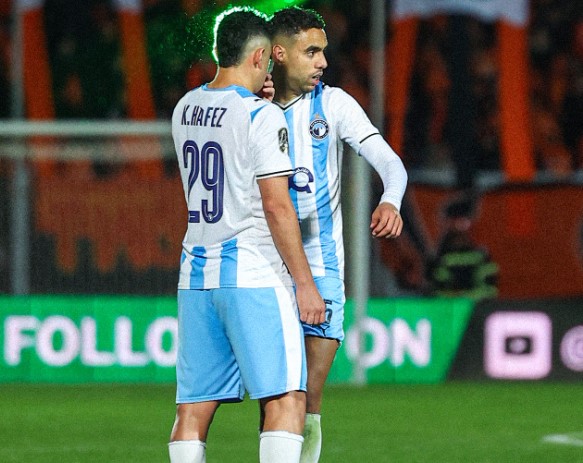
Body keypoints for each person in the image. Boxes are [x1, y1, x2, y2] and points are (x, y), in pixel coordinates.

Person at [168, 7, 325, 463]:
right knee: (286, 399)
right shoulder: (261, 116)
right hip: (253, 275)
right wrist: (304, 283)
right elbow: (276, 206)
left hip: (196, 277)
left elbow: (226, 124)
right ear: (259, 56)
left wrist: (257, 99)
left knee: (193, 408)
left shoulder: (184, 107)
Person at [267, 7, 408, 462]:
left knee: (306, 396)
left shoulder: (335, 105)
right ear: (279, 53)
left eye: (323, 51)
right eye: (311, 52)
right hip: (262, 265)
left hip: (322, 268)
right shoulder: (250, 104)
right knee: (277, 396)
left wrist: (391, 200)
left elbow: (390, 163)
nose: (323, 62)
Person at [426, 194, 499, 300]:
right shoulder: (439, 257)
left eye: (463, 220)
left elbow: (489, 289)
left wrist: (465, 298)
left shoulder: (481, 256)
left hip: (476, 308)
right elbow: (435, 289)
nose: (458, 225)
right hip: (448, 309)